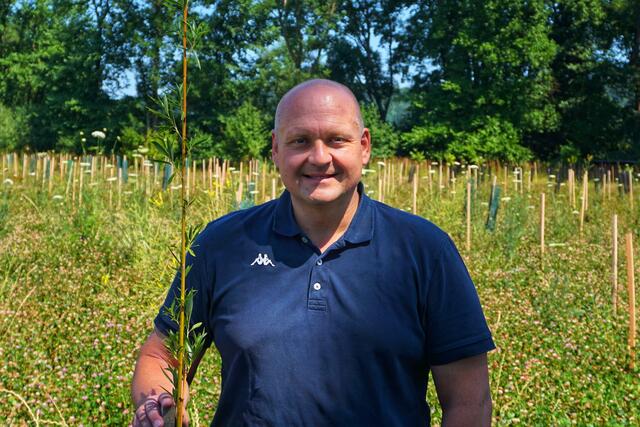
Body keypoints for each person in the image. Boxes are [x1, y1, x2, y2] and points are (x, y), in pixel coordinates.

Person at [131, 79, 495, 427]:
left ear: (364, 146)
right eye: (300, 141)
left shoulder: (423, 251)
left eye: (337, 140)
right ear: (275, 149)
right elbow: (162, 355)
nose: (319, 158)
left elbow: (468, 400)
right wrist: (157, 404)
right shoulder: (223, 245)